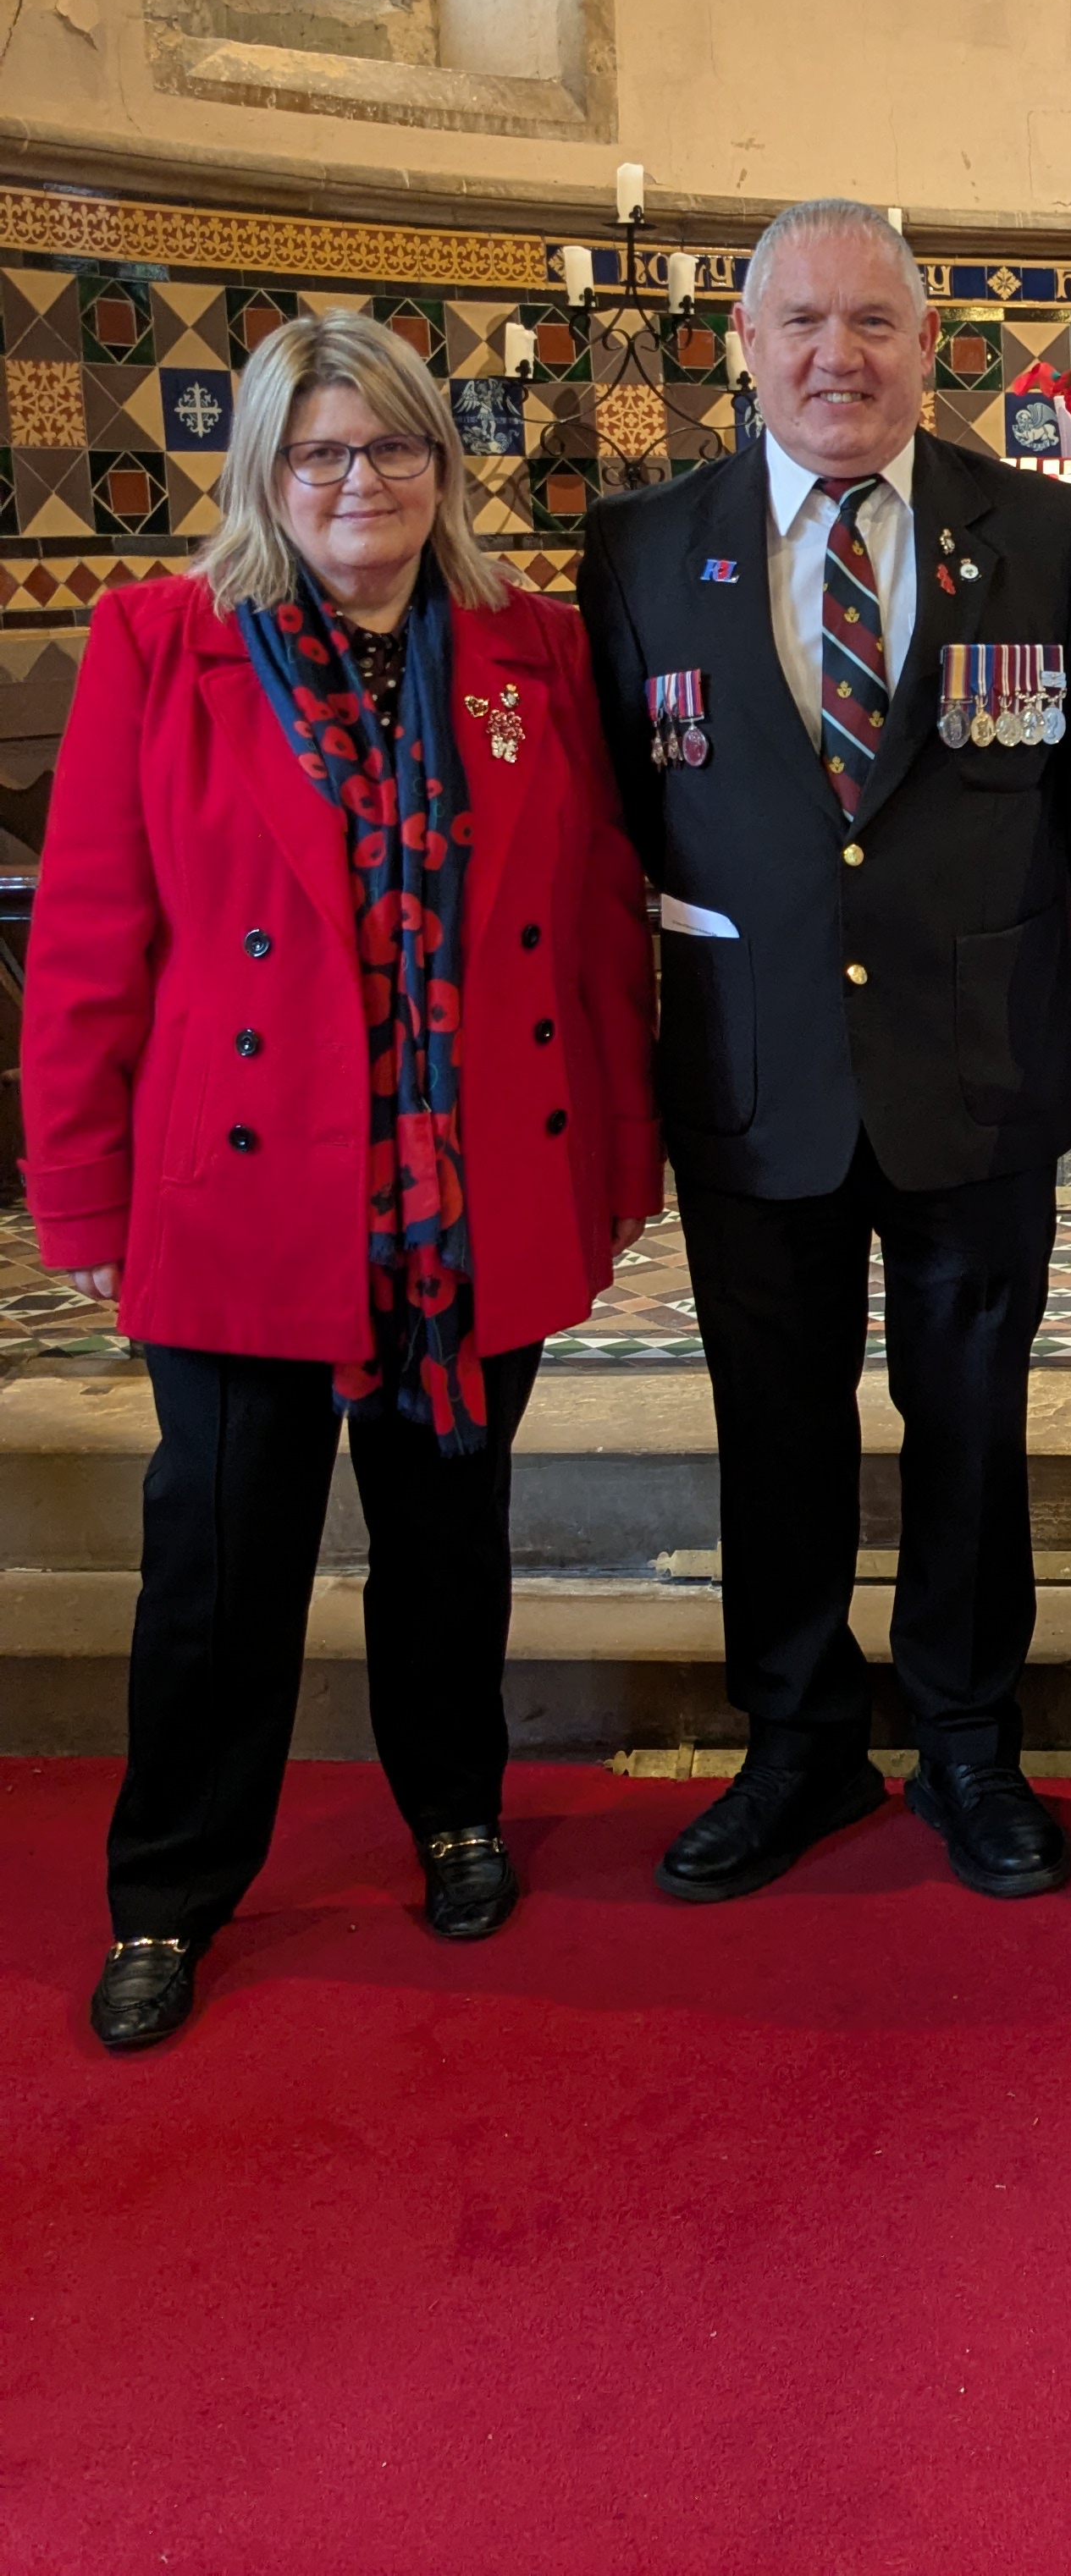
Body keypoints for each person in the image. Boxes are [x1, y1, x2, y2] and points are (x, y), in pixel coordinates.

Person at [23, 316, 660, 2054]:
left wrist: (617, 1157)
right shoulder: (164, 643)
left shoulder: (528, 651)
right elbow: (91, 942)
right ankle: (168, 1890)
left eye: (390, 450)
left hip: (476, 1192)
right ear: (263, 478)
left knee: (451, 1540)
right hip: (245, 1199)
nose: (358, 483)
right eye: (320, 455)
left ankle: (454, 1808)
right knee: (219, 1561)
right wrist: (76, 1199)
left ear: (441, 472)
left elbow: (600, 922)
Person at [578, 200, 1071, 1906]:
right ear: (746, 347)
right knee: (776, 1423)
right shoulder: (644, 545)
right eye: (802, 323)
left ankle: (969, 1741)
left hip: (977, 1062)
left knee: (974, 1419)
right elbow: (620, 814)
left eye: (873, 323)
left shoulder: (1043, 530)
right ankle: (798, 1742)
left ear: (929, 342)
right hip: (758, 1076)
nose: (839, 356)